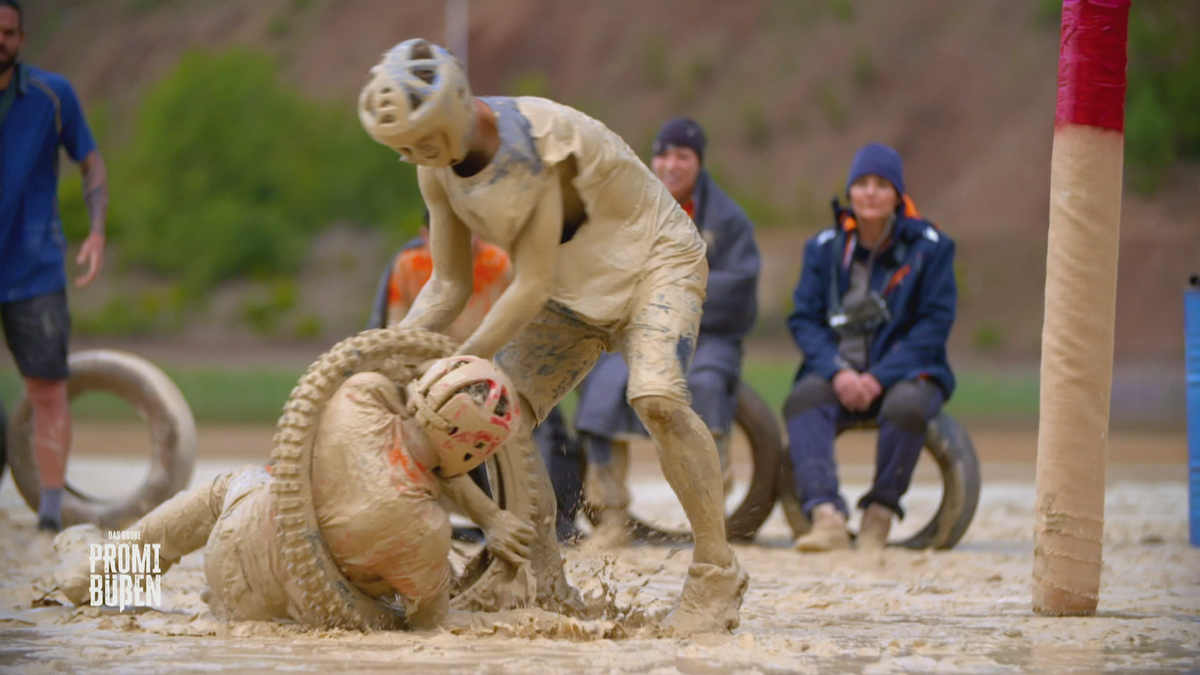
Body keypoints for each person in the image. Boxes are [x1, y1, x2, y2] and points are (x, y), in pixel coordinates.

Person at [358, 39, 748, 636]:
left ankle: (715, 573)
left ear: (457, 108)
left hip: (653, 262)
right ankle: (536, 575)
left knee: (657, 399)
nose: (419, 158)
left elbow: (530, 286)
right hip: (572, 290)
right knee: (496, 411)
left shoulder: (540, 148)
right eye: (406, 150)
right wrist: (374, 357)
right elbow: (447, 287)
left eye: (426, 143)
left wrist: (457, 365)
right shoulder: (434, 172)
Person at [54, 356, 536, 630]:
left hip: (233, 538)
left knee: (231, 486)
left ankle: (88, 574)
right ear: (475, 450)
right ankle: (145, 591)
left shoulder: (360, 395)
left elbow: (422, 440)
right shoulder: (424, 531)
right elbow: (428, 628)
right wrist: (493, 522)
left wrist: (490, 517)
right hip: (274, 611)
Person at [570, 117, 761, 546]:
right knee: (602, 384)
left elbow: (740, 288)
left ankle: (710, 523)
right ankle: (612, 516)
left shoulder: (728, 221)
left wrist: (671, 298)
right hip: (638, 334)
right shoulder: (629, 207)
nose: (670, 164)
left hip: (709, 336)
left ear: (699, 163)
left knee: (708, 386)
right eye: (663, 154)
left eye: (682, 156)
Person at [784, 142, 957, 553]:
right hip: (839, 370)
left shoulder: (931, 248)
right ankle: (826, 515)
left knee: (907, 407)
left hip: (905, 373)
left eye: (882, 184)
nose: (871, 193)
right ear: (850, 192)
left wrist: (879, 378)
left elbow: (934, 326)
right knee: (803, 400)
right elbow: (804, 319)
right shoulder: (823, 248)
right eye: (862, 183)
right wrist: (837, 372)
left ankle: (878, 516)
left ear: (898, 194)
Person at [366, 211, 578, 543]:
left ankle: (554, 519)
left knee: (542, 425)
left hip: (497, 366)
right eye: (452, 233)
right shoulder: (408, 265)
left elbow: (527, 320)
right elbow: (396, 327)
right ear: (428, 235)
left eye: (470, 232)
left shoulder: (500, 263)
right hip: (434, 370)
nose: (464, 242)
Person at [0, 0, 108, 533]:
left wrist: (96, 230)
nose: (1, 40)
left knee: (47, 389)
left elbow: (89, 160)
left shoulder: (51, 95)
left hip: (33, 267)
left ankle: (48, 515)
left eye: (9, 32)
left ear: (21, 38)